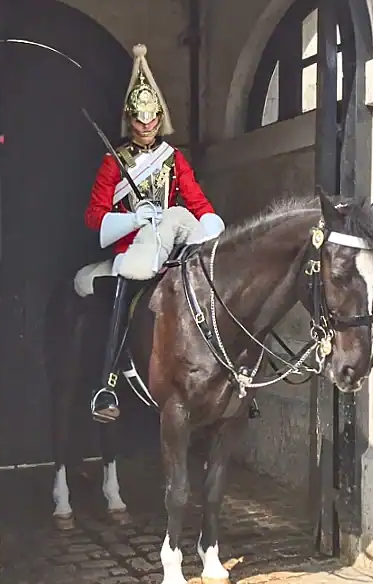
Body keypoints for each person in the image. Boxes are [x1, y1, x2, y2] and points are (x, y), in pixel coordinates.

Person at [85, 43, 225, 424]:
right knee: (125, 285)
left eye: (152, 119)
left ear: (160, 117)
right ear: (129, 120)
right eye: (139, 119)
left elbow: (196, 201)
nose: (146, 126)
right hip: (134, 248)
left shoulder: (174, 159)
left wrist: (210, 226)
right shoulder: (113, 162)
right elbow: (95, 217)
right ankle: (107, 382)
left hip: (173, 245)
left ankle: (230, 377)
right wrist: (133, 219)